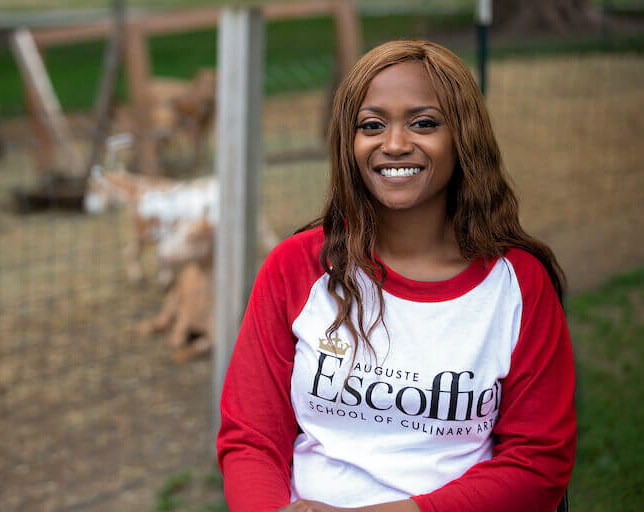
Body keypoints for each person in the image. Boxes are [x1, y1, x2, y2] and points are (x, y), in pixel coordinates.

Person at [216, 40, 576, 512]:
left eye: (423, 123)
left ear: (464, 136)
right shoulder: (297, 266)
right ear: (350, 142)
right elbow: (251, 437)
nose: (395, 144)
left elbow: (537, 463)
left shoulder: (519, 285)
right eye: (372, 125)